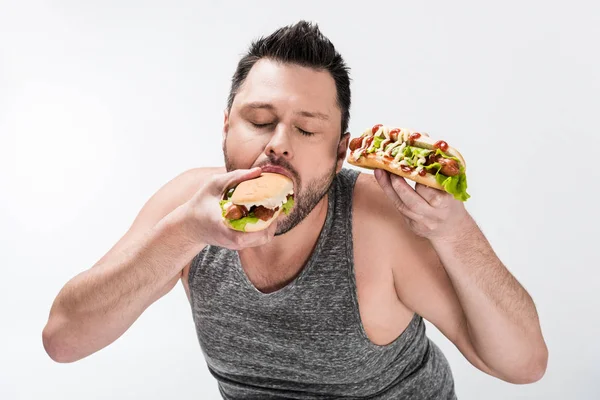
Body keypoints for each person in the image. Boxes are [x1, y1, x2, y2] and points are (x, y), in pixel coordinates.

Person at [42, 20, 548, 399]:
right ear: (225, 126)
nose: (278, 144)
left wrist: (454, 231)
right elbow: (63, 340)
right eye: (260, 120)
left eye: (307, 130)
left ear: (340, 150)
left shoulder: (376, 216)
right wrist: (183, 235)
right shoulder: (188, 209)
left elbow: (523, 363)